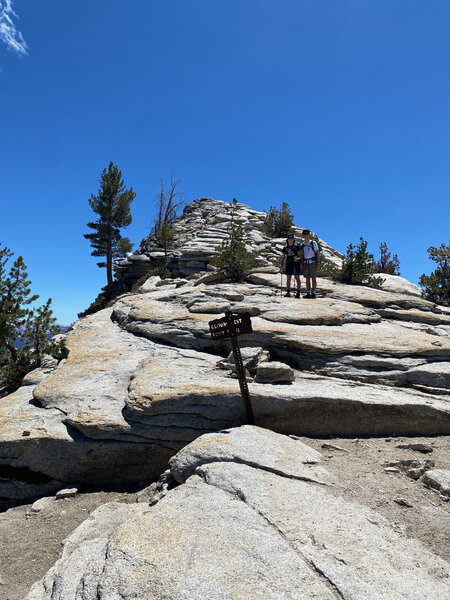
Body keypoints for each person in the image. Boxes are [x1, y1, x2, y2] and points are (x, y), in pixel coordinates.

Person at [280, 234, 302, 298]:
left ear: (293, 239)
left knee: (297, 278)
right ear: (287, 239)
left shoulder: (297, 247)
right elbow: (283, 255)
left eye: (291, 238)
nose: (290, 239)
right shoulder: (285, 248)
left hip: (295, 263)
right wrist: (282, 258)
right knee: (288, 278)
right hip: (288, 263)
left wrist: (297, 259)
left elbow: (300, 256)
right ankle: (288, 292)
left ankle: (298, 292)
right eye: (289, 238)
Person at [300, 230, 320, 298]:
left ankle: (314, 292)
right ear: (303, 235)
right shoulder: (302, 245)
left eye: (307, 234)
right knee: (307, 278)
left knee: (313, 277)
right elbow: (302, 255)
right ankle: (308, 292)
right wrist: (301, 264)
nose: (306, 235)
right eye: (304, 234)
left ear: (309, 235)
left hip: (312, 262)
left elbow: (317, 252)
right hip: (306, 263)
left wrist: (317, 262)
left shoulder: (313, 243)